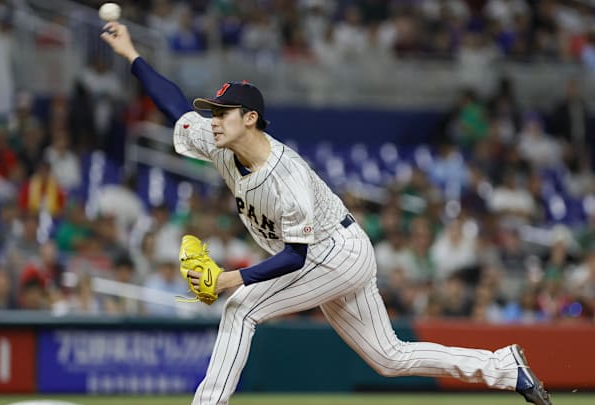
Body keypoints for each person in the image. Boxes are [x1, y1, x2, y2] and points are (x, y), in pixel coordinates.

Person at [100, 22, 552, 405]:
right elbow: (173, 105)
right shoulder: (220, 144)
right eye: (213, 113)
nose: (213, 119)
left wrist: (228, 279)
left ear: (251, 118)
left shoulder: (285, 177)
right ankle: (504, 368)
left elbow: (296, 256)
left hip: (332, 254)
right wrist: (132, 54)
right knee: (390, 357)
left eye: (223, 112)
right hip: (329, 253)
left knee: (240, 308)